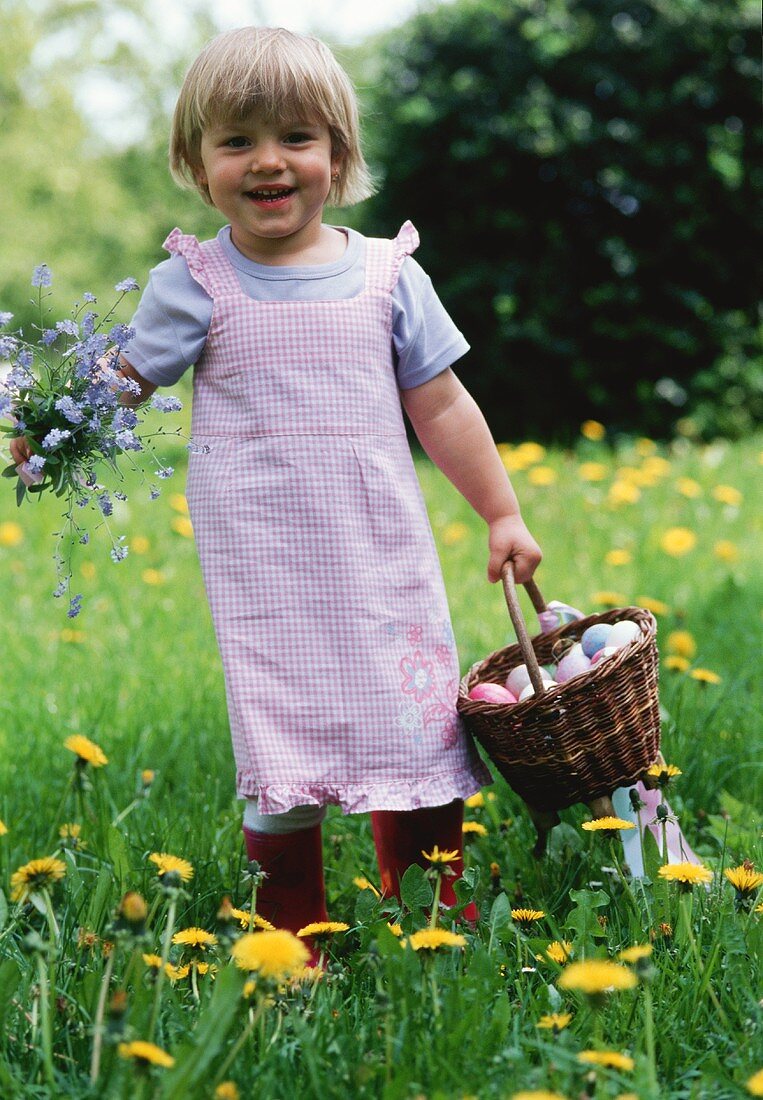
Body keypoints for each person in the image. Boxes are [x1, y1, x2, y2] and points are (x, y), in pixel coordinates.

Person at [12, 26, 541, 948]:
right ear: (194, 160)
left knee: (413, 732)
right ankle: (291, 930)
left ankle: (428, 916)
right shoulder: (197, 283)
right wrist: (42, 436)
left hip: (382, 562)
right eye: (236, 141)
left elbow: (444, 406)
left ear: (338, 156)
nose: (268, 162)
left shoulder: (388, 277)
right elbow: (121, 385)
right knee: (283, 737)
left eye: (296, 137)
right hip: (266, 576)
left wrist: (500, 510)